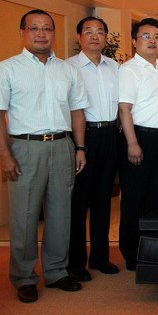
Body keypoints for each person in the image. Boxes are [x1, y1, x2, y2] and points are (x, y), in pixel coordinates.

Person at [0, 9, 89, 303]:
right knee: (25, 216)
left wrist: (80, 147)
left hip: (62, 145)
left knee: (60, 214)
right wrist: (5, 155)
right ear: (23, 32)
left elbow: (77, 111)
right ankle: (24, 277)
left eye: (47, 28)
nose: (41, 34)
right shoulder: (7, 69)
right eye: (34, 28)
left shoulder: (67, 70)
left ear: (54, 33)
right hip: (25, 148)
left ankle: (56, 271)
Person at [117, 17, 158, 270]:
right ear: (134, 41)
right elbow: (124, 109)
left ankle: (152, 251)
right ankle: (131, 253)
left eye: (157, 36)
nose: (152, 41)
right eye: (146, 36)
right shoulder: (129, 69)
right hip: (140, 139)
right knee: (134, 199)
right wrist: (132, 142)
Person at [65, 16, 120, 281]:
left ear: (106, 37)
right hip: (83, 136)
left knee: (103, 199)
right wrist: (80, 145)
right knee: (79, 202)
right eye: (88, 32)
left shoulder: (115, 67)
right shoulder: (68, 67)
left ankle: (100, 257)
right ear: (79, 37)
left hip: (110, 134)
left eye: (100, 32)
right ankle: (76, 263)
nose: (95, 36)